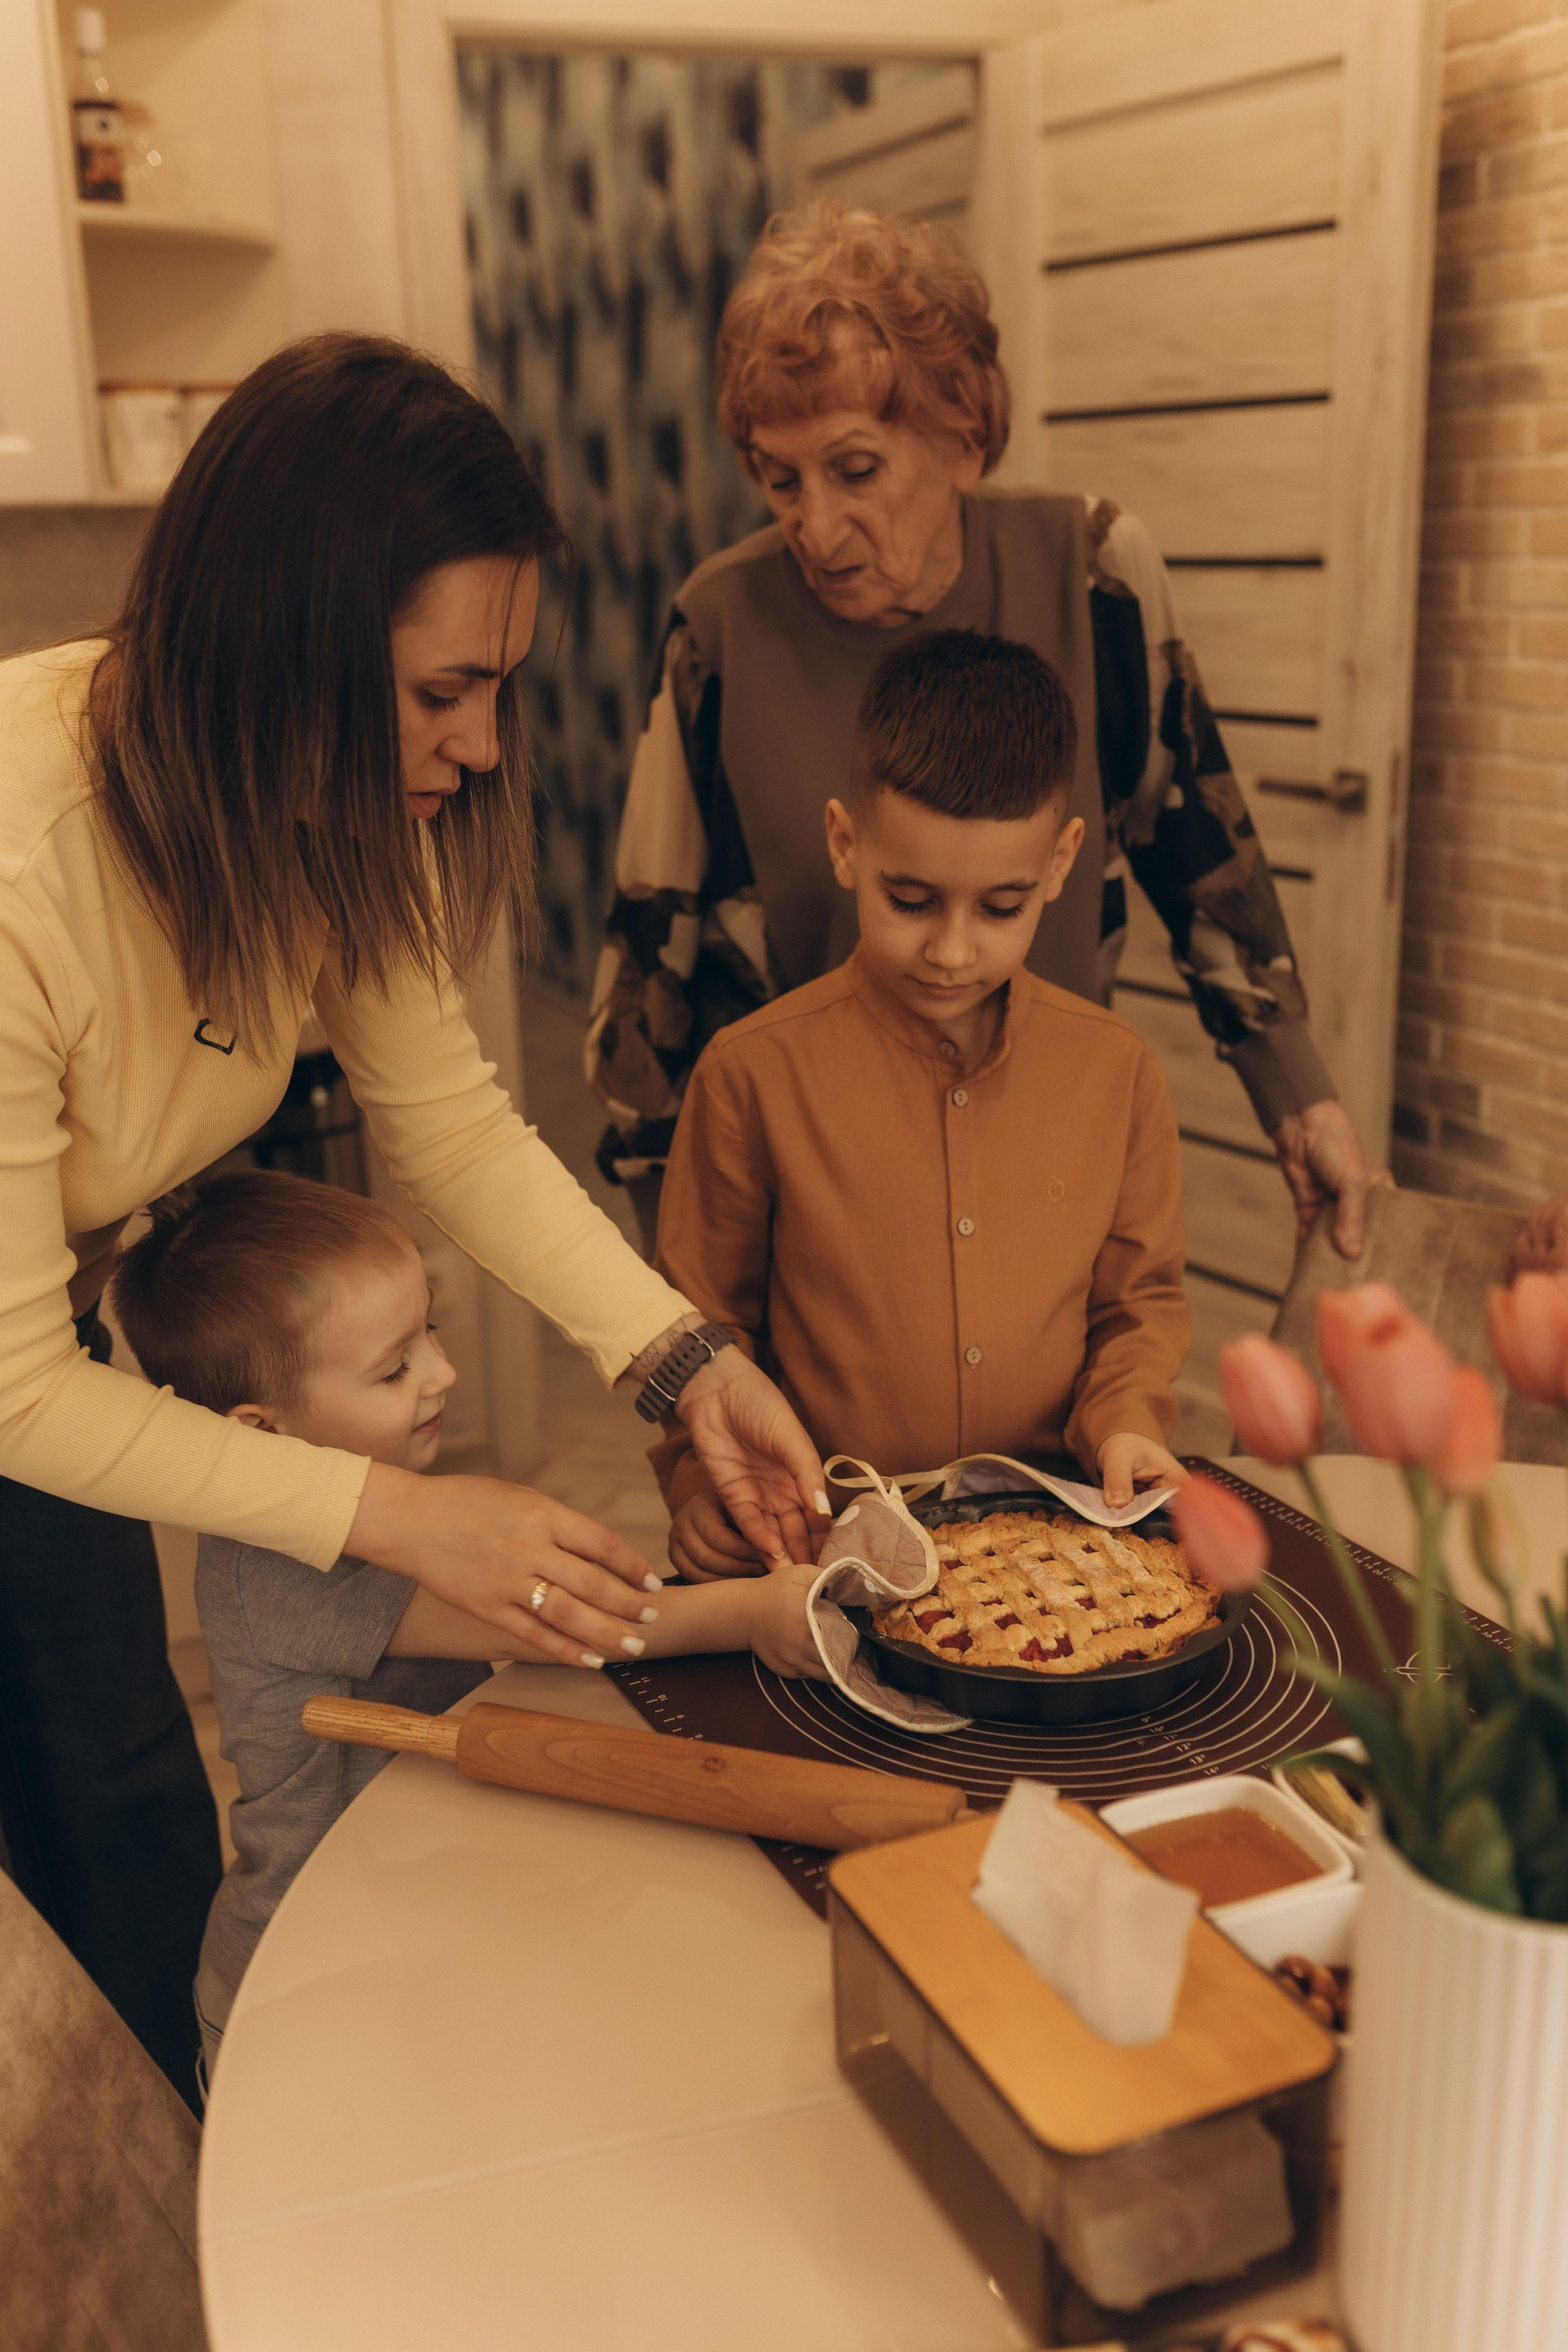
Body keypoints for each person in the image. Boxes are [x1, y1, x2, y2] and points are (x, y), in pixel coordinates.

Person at [0, 333, 828, 2105]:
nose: (482, 742)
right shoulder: (18, 865)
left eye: (500, 687)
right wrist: (401, 1515)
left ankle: (183, 2155)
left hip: (31, 1328)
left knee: (123, 1788)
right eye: (443, 689)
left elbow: (451, 1126)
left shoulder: (320, 807)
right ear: (279, 646)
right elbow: (17, 1395)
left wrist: (683, 1360)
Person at [588, 200, 1390, 1262]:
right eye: (781, 479)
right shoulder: (718, 630)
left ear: (964, 439)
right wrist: (676, 1291)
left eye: (856, 470)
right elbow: (648, 978)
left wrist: (1302, 1101)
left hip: (1046, 1175)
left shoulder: (1094, 574)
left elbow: (1200, 849)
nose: (815, 528)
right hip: (816, 1217)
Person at [108, 1170, 823, 2082]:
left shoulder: (388, 1496)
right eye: (394, 1368)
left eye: (430, 1331)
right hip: (308, 1977)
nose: (443, 1373)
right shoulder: (275, 1570)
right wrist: (752, 1613)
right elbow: (554, 1623)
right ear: (264, 1430)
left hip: (407, 1902)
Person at [649, 630, 1189, 1581]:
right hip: (823, 1547)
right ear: (845, 845)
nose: (951, 951)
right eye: (910, 900)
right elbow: (704, 1321)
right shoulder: (751, 1073)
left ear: (1062, 862)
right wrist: (702, 1482)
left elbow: (1135, 1308)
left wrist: (1127, 1424)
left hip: (1053, 1558)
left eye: (1001, 908)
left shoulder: (1118, 1073)